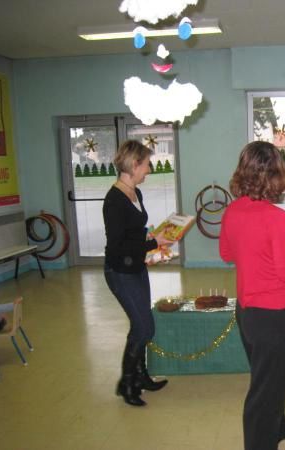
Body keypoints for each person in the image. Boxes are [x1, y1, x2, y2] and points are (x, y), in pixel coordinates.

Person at [219, 141, 285, 450]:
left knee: (266, 378)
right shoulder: (276, 218)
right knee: (265, 388)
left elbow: (226, 254)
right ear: (276, 174)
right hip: (272, 313)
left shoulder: (233, 209)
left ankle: (278, 427)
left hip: (247, 311)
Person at [103, 140, 173, 407]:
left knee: (144, 325)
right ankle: (126, 383)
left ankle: (141, 376)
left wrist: (151, 236)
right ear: (134, 165)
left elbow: (135, 232)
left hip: (136, 267)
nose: (148, 170)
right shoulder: (114, 201)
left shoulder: (135, 193)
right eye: (146, 165)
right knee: (143, 327)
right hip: (120, 271)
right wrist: (153, 244)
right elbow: (118, 245)